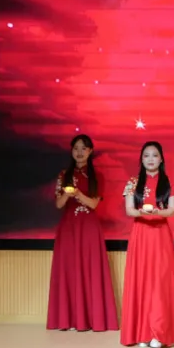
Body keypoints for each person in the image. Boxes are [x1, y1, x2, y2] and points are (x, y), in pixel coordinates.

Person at [46, 134, 119, 332]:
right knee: (69, 269)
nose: (79, 152)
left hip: (89, 227)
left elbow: (93, 204)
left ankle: (90, 320)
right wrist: (66, 193)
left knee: (89, 269)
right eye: (76, 148)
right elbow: (59, 204)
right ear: (71, 151)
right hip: (69, 227)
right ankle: (68, 319)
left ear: (90, 151)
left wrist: (78, 194)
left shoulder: (97, 176)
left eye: (83, 148)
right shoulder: (64, 175)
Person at [120, 141, 174, 348]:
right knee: (141, 281)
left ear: (161, 158)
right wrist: (142, 213)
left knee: (159, 282)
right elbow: (129, 210)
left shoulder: (169, 181)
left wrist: (157, 212)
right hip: (140, 235)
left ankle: (159, 333)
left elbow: (172, 210)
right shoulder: (133, 182)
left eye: (154, 155)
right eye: (146, 155)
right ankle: (143, 332)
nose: (150, 159)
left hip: (160, 235)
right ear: (141, 159)